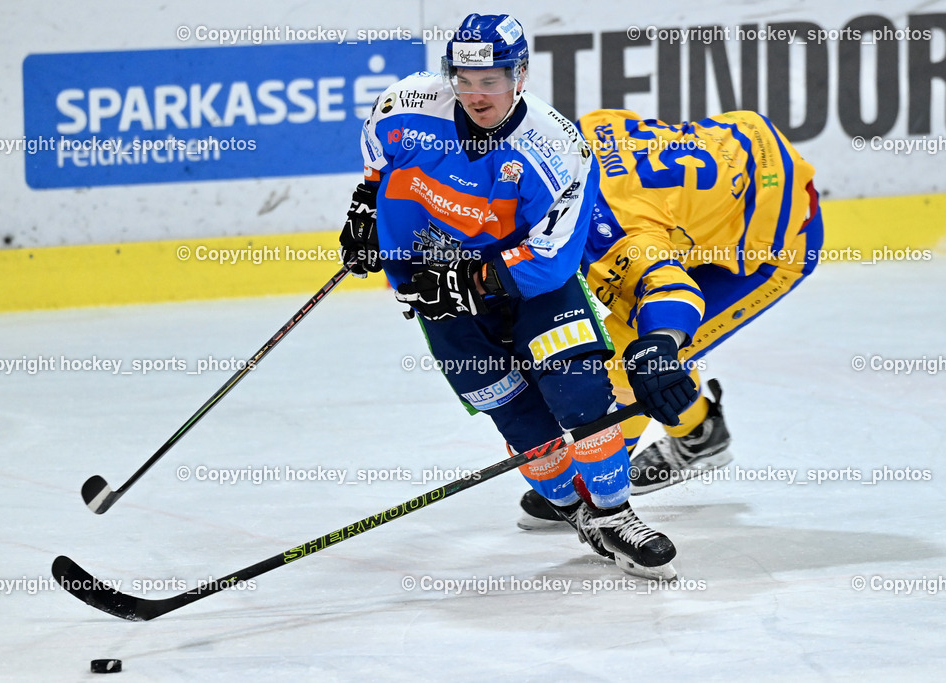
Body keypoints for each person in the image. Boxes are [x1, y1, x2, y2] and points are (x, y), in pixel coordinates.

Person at [339, 14, 684, 580]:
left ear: (519, 74)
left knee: (581, 395)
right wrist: (364, 213)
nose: (476, 94)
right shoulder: (405, 104)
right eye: (465, 79)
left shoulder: (556, 145)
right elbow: (378, 165)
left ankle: (617, 514)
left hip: (531, 287)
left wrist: (468, 283)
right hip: (434, 289)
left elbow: (552, 259)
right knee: (520, 421)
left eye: (491, 79)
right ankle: (576, 512)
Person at [518, 108, 824, 528]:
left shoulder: (617, 238)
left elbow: (669, 291)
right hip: (743, 154)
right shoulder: (576, 133)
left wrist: (660, 343)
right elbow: (617, 122)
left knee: (635, 357)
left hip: (775, 244)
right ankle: (698, 433)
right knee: (638, 342)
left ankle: (602, 473)